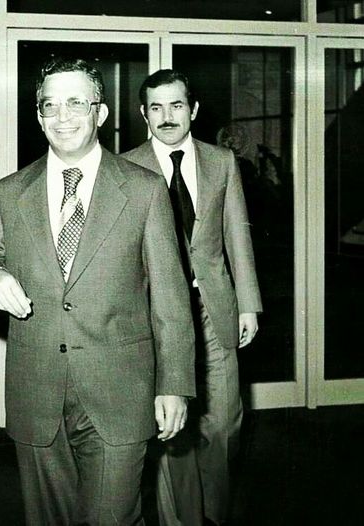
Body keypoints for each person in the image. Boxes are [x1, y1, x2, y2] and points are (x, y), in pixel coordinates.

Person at [0, 57, 196, 525]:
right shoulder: (10, 191)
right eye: (50, 105)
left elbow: (170, 298)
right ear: (38, 115)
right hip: (36, 392)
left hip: (121, 392)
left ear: (100, 113)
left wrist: (174, 385)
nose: (62, 116)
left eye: (75, 103)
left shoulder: (144, 190)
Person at [122, 69, 263, 526]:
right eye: (156, 107)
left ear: (194, 110)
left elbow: (237, 235)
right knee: (173, 428)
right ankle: (182, 519)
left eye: (176, 105)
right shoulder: (124, 168)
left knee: (224, 423)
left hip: (212, 307)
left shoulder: (221, 162)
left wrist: (248, 303)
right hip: (157, 315)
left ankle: (215, 515)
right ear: (143, 114)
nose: (167, 117)